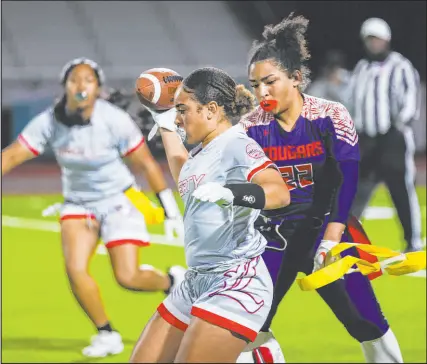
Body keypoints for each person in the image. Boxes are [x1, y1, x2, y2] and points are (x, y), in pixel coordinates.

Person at [236, 14, 403, 363]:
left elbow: (347, 176)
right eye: (254, 85)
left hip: (326, 227)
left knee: (365, 322)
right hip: (273, 235)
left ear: (296, 78)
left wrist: (334, 233)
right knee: (247, 326)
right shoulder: (249, 126)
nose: (261, 92)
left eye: (269, 81)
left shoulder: (329, 114)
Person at [1, 58, 186, 358]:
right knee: (75, 269)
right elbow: (10, 157)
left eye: (88, 80)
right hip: (78, 204)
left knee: (128, 277)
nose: (81, 85)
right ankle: (106, 333)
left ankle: (172, 281)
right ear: (65, 87)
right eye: (74, 80)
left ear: (98, 87)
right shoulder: (50, 120)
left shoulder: (113, 119)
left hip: (120, 200)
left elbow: (146, 164)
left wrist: (169, 208)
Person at [129, 67, 291, 363]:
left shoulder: (236, 144)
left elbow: (279, 192)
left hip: (235, 279)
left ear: (211, 110)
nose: (179, 118)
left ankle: (260, 356)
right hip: (196, 281)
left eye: (183, 110)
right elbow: (185, 177)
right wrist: (164, 124)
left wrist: (233, 192)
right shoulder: (202, 152)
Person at [347, 17, 423, 253]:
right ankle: (345, 240)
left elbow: (411, 99)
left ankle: (412, 241)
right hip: (366, 138)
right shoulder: (361, 68)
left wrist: (399, 125)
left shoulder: (400, 65)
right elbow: (352, 101)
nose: (373, 44)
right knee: (355, 192)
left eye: (376, 39)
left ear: (386, 39)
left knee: (400, 190)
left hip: (392, 138)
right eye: (369, 39)